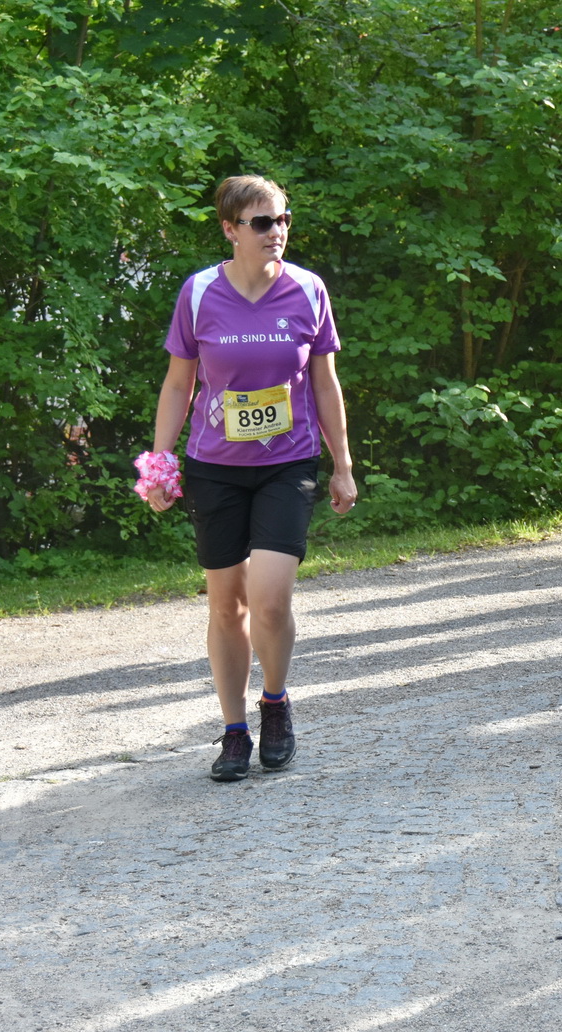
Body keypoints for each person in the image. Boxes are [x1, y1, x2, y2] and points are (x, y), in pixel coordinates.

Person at [140, 174, 357, 783]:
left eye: (283, 220)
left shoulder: (309, 291)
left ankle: (276, 704)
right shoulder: (200, 293)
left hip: (288, 464)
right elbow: (180, 383)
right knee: (226, 603)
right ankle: (234, 730)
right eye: (263, 223)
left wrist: (342, 465)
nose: (277, 232)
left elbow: (324, 383)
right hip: (216, 470)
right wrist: (159, 465)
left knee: (270, 596)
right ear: (230, 229)